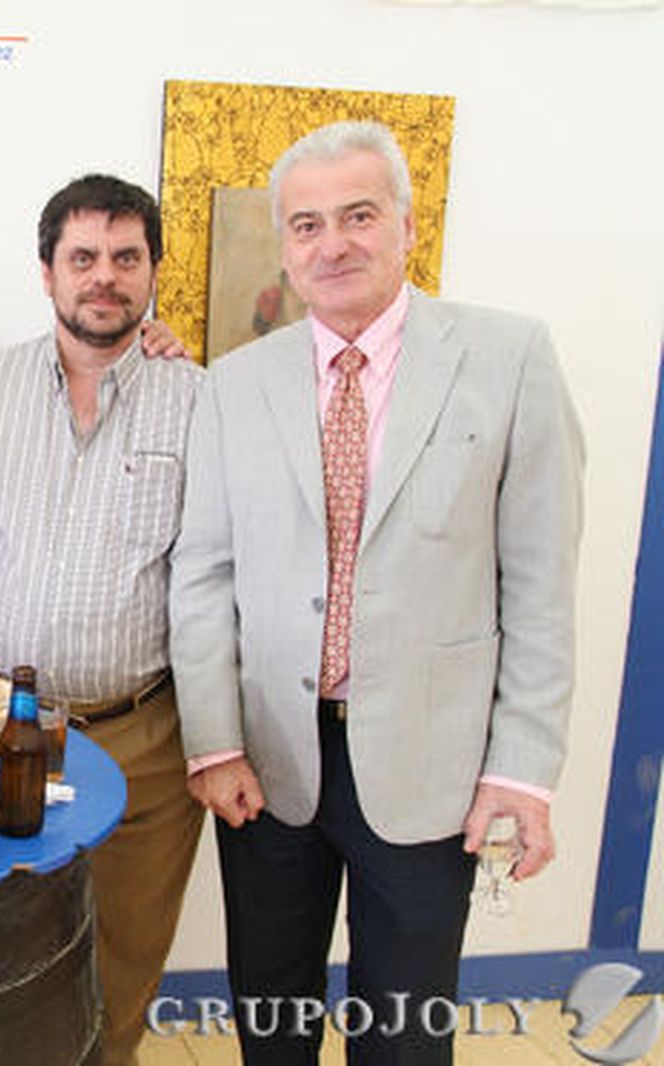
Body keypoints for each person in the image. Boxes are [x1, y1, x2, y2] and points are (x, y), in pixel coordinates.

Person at [170, 120, 583, 1064]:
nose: (334, 243)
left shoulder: (508, 360)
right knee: (269, 1011)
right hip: (269, 763)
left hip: (430, 765)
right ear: (284, 245)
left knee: (405, 1030)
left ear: (406, 223)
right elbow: (203, 577)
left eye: (359, 215)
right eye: (307, 225)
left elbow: (542, 580)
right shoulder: (236, 384)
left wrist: (520, 769)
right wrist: (213, 741)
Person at [0, 175, 204, 1062]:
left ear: (154, 273)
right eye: (82, 257)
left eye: (126, 258)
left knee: (124, 957)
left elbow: (213, 573)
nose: (104, 277)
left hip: (144, 733)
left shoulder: (200, 399)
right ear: (46, 272)